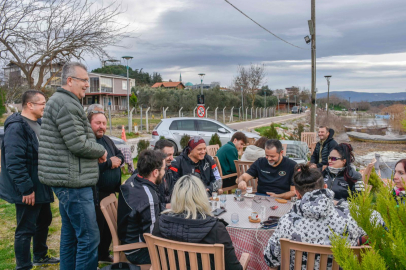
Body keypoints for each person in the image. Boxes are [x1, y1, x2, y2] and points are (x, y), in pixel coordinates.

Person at [38, 62, 107, 270]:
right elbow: (77, 143)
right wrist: (100, 151)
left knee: (71, 237)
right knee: (89, 238)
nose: (87, 84)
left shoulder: (63, 101)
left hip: (68, 180)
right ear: (70, 81)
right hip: (73, 183)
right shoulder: (66, 104)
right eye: (84, 80)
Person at [264, 164, 367, 270]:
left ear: (297, 194)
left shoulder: (286, 222)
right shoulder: (350, 218)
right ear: (325, 187)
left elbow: (271, 260)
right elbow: (376, 229)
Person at [0, 90, 59, 270]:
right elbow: (14, 161)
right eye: (42, 103)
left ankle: (40, 255)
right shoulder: (17, 127)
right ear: (30, 105)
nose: (45, 106)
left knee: (44, 219)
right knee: (25, 228)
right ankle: (23, 266)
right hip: (27, 188)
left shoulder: (38, 123)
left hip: (41, 184)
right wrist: (26, 188)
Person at [152, 175, 243, 270]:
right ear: (202, 196)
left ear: (175, 197)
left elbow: (158, 260)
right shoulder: (216, 229)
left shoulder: (161, 222)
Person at [88, 106, 124, 264]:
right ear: (89, 123)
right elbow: (89, 167)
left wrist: (116, 160)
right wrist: (109, 163)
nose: (101, 126)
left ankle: (103, 254)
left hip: (110, 192)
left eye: (103, 122)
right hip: (95, 193)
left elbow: (120, 154)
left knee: (110, 227)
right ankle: (94, 257)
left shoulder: (107, 140)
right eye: (97, 123)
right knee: (98, 227)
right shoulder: (88, 142)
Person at [117, 149, 167, 264]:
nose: (164, 173)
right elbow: (151, 237)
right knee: (181, 253)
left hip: (128, 238)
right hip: (138, 250)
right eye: (164, 169)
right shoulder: (148, 197)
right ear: (155, 172)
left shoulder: (132, 180)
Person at [153, 139, 176, 204]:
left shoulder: (168, 169)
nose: (172, 158)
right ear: (158, 154)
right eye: (168, 155)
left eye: (172, 154)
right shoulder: (148, 173)